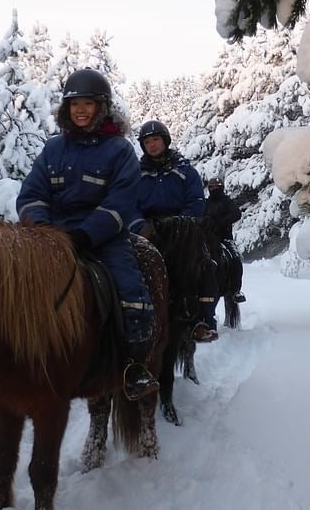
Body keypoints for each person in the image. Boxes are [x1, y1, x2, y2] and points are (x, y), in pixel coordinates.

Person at [15, 68, 159, 401]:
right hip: (51, 237)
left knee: (129, 290)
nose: (81, 110)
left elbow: (121, 202)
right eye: (75, 103)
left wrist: (85, 235)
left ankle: (134, 367)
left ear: (102, 107)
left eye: (88, 104)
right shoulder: (53, 150)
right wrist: (41, 230)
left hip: (104, 238)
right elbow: (31, 195)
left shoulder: (119, 150)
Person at [130, 120, 218, 342]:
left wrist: (181, 224)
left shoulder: (185, 170)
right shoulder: (136, 173)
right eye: (147, 142)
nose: (152, 145)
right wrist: (140, 226)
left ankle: (202, 320)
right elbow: (129, 205)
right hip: (149, 228)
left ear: (165, 140)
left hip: (181, 228)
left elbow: (197, 200)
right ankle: (135, 317)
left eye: (156, 140)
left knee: (205, 262)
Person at [204, 177, 246, 303]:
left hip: (225, 238)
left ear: (221, 188)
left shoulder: (227, 201)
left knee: (236, 259)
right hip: (206, 237)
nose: (213, 189)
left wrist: (220, 223)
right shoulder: (205, 203)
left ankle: (236, 290)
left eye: (216, 187)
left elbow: (236, 214)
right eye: (211, 187)